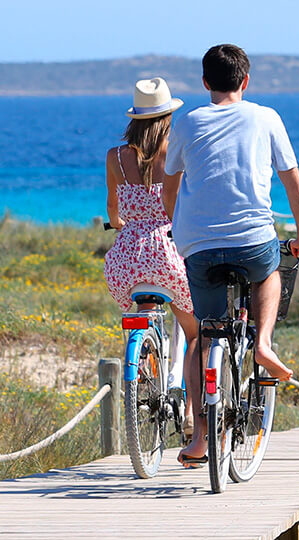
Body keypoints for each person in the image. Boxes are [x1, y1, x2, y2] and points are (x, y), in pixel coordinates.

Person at [163, 44, 299, 466]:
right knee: (270, 270)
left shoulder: (188, 121)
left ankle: (199, 439)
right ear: (245, 82)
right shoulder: (266, 118)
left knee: (205, 336)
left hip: (199, 246)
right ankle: (264, 344)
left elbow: (169, 187)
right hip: (252, 241)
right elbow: (296, 187)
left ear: (205, 83)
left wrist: (179, 228)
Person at [103, 77, 198, 435]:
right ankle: (190, 413)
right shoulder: (176, 152)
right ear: (166, 117)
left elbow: (113, 211)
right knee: (193, 332)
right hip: (169, 250)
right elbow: (184, 200)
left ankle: (145, 361)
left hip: (126, 257)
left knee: (141, 309)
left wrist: (122, 223)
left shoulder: (115, 157)